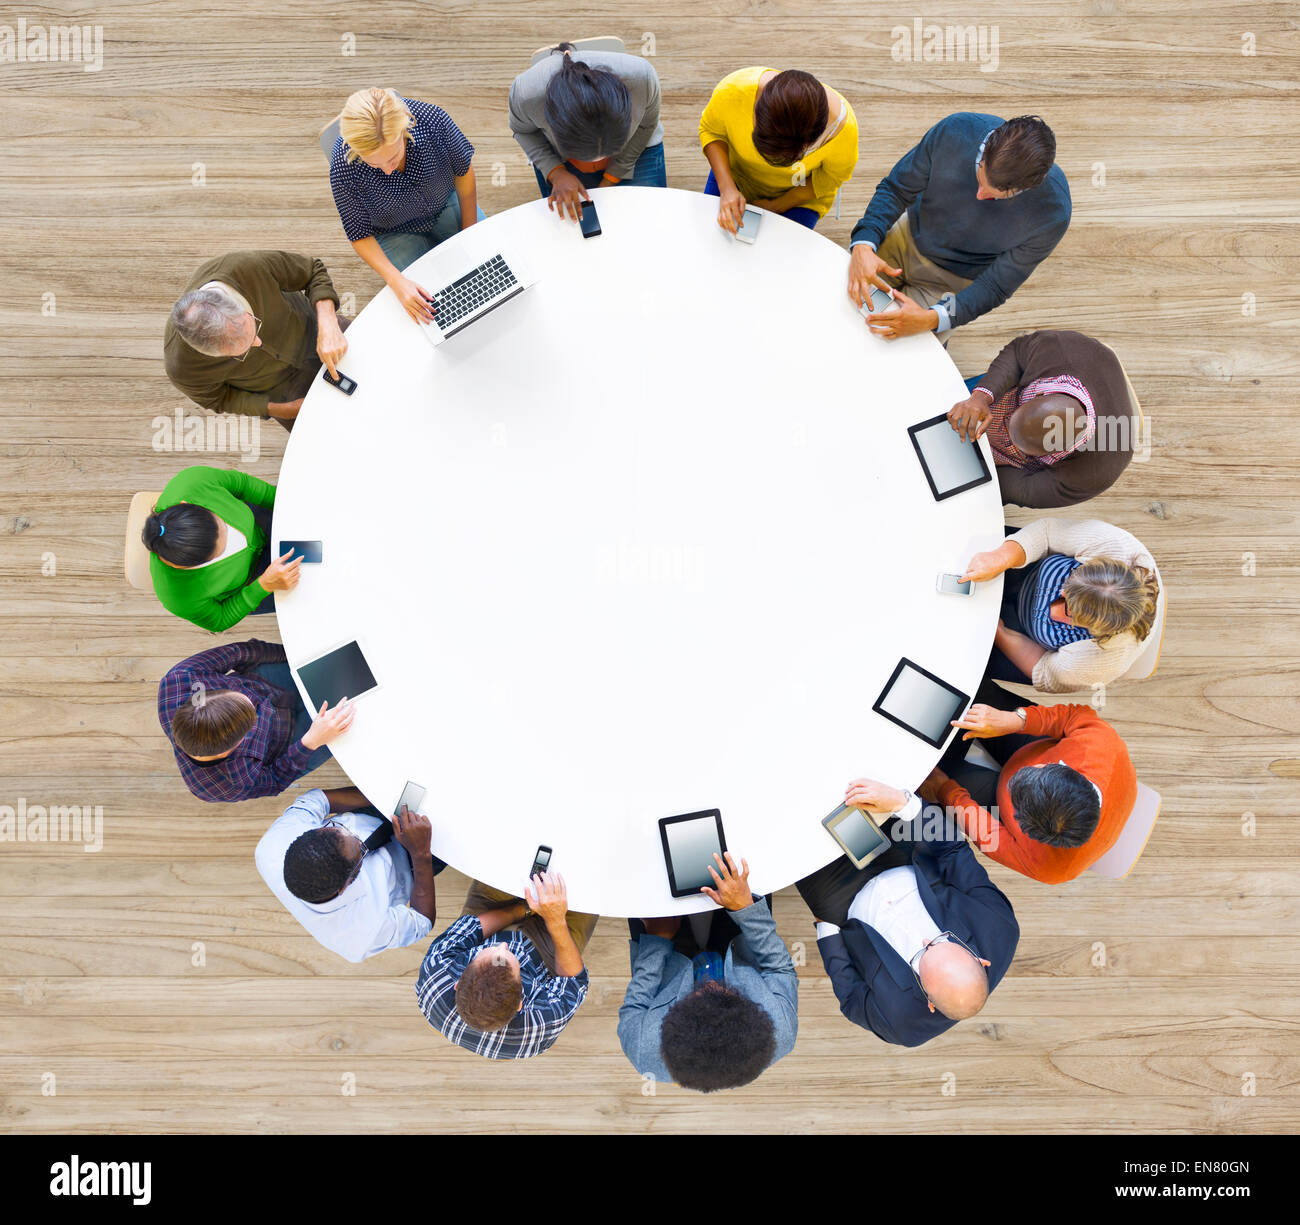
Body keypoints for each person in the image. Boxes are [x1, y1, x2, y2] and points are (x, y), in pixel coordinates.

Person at [799, 778, 1019, 1047]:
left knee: (795, 828)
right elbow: (953, 849)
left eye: (922, 954)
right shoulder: (1000, 928)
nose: (926, 941)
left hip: (841, 901)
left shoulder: (901, 1025)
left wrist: (828, 930)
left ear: (928, 1001)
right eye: (942, 940)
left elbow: (852, 999)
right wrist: (904, 804)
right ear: (981, 961)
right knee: (850, 785)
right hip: (902, 856)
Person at [846, 114, 1070, 344]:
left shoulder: (1053, 213)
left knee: (901, 350)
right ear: (986, 146)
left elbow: (995, 286)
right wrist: (865, 242)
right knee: (843, 302)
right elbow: (896, 189)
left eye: (995, 195)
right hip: (907, 235)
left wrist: (933, 319)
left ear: (1030, 187)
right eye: (980, 176)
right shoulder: (955, 131)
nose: (979, 195)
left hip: (952, 282)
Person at [619, 852, 798, 1091]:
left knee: (646, 871)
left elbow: (636, 1004)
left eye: (699, 994)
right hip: (740, 944)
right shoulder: (781, 1031)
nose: (709, 982)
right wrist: (745, 909)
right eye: (724, 993)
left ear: (671, 1021)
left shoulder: (643, 1050)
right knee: (736, 862)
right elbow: (778, 967)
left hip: (666, 961)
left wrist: (656, 940)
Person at [926, 697, 1138, 884]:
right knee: (970, 698)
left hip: (996, 796)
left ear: (1027, 827)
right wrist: (1014, 720)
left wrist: (946, 791)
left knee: (932, 759)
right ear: (1065, 769)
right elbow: (1072, 715)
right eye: (1039, 769)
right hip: (1033, 746)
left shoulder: (1051, 868)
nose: (1019, 774)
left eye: (1016, 801)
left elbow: (990, 836)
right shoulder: (1101, 746)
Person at [328, 88, 484, 326]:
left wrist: (469, 229)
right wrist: (396, 282)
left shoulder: (433, 120)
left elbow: (463, 171)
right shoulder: (342, 164)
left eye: (392, 157)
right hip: (394, 231)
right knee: (433, 307)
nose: (387, 170)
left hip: (445, 201)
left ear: (405, 128)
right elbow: (359, 234)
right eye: (373, 163)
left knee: (487, 260)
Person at [961, 518, 1161, 692]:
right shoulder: (1115, 545)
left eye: (1069, 612)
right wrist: (1001, 558)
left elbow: (1044, 670)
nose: (1055, 601)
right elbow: (1047, 533)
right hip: (1029, 564)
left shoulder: (1100, 661)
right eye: (1069, 583)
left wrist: (1000, 633)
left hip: (1023, 638)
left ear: (1097, 632)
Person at [947, 330, 1140, 507]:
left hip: (1008, 468)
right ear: (1039, 395)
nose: (994, 431)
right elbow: (1017, 352)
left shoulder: (1094, 473)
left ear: (1056, 453)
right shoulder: (1062, 350)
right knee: (937, 405)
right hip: (996, 397)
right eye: (1009, 421)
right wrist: (981, 396)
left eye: (1018, 447)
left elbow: (1023, 489)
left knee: (958, 495)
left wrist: (972, 472)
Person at [415, 871, 596, 1059]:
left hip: (492, 923)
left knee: (508, 857)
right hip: (547, 955)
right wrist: (555, 919)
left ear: (458, 983)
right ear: (520, 1004)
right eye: (508, 956)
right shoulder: (539, 1024)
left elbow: (473, 928)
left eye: (493, 952)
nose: (503, 946)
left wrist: (528, 908)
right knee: (591, 888)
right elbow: (573, 980)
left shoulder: (437, 973)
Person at [165, 250, 348, 429]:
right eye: (243, 353)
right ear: (208, 354)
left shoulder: (246, 267)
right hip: (284, 392)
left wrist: (328, 324)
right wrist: (279, 410)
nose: (258, 343)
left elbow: (312, 271)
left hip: (318, 330)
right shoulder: (181, 367)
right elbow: (218, 398)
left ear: (236, 302)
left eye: (255, 326)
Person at [157, 638, 355, 804]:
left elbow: (241, 652)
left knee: (346, 658)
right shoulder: (224, 785)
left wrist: (298, 655)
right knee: (359, 718)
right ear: (232, 748)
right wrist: (310, 742)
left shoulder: (180, 680)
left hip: (269, 682)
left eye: (235, 693)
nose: (256, 703)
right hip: (294, 743)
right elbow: (276, 779)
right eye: (253, 714)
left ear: (203, 698)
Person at [256, 791, 442, 962]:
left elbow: (318, 800)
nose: (355, 834)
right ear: (346, 885)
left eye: (335, 826)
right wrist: (420, 853)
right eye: (359, 851)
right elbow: (422, 921)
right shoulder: (362, 936)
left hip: (371, 810)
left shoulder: (272, 845)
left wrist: (383, 795)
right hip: (414, 861)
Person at [510, 42, 666, 222]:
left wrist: (612, 175)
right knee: (570, 229)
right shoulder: (526, 94)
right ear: (552, 122)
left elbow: (646, 125)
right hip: (559, 158)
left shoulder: (643, 79)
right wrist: (556, 172)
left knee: (652, 217)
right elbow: (522, 131)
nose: (598, 163)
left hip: (636, 147)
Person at [142, 464, 301, 632]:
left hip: (262, 516)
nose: (233, 537)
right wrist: (263, 586)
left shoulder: (192, 483)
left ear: (187, 503)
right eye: (221, 552)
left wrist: (287, 506)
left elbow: (243, 485)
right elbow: (220, 619)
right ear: (181, 566)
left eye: (223, 524)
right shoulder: (177, 597)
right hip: (254, 582)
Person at [700, 66, 858, 232]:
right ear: (756, 112)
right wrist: (727, 188)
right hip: (735, 177)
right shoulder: (733, 90)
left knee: (781, 254)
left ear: (814, 141)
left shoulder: (844, 132)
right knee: (710, 235)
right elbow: (711, 130)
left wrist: (779, 206)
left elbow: (830, 178)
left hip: (797, 195)